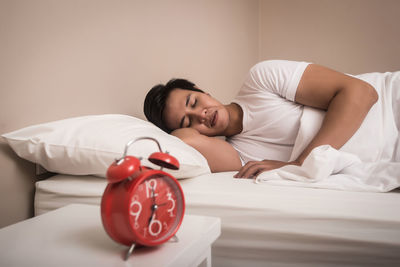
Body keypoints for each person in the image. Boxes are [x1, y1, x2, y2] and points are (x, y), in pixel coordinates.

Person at [144, 60, 380, 178]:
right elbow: (185, 142)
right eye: (188, 122)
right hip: (380, 154)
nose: (201, 116)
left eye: (193, 102)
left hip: (388, 107)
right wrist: (177, 132)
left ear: (201, 90)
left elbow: (362, 92)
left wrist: (301, 163)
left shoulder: (261, 80)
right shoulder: (238, 156)